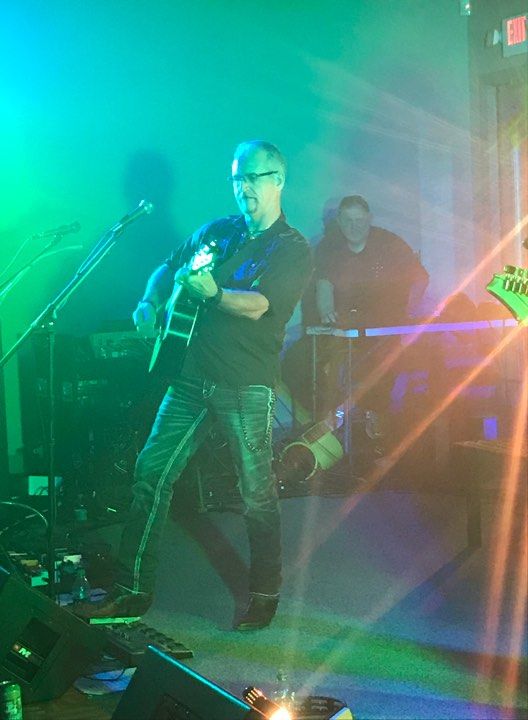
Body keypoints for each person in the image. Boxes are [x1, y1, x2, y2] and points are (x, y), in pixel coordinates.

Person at [76, 140, 313, 630]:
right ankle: (131, 591)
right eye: (236, 178)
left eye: (252, 177)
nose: (243, 187)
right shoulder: (219, 231)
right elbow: (168, 266)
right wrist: (149, 301)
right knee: (150, 475)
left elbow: (262, 306)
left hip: (245, 385)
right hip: (190, 379)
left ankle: (265, 593)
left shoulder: (291, 247)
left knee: (256, 493)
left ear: (278, 181)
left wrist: (216, 293)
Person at [287, 195, 428, 447]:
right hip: (343, 328)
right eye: (348, 220)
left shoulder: (390, 243)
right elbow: (324, 284)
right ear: (339, 221)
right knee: (295, 361)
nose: (354, 226)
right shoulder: (329, 246)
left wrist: (408, 311)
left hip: (384, 328)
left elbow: (420, 278)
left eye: (360, 220)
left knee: (383, 362)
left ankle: (376, 420)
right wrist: (327, 311)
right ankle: (327, 419)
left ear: (369, 219)